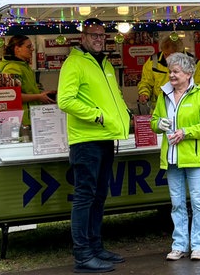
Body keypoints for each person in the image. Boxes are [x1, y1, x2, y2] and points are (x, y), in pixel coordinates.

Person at [57, 18, 129, 274]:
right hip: (86, 140)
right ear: (83, 37)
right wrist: (96, 115)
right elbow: (64, 100)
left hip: (105, 138)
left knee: (98, 197)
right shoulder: (74, 63)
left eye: (102, 35)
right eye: (94, 35)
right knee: (85, 198)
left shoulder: (105, 63)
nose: (99, 39)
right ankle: (83, 255)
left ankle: (96, 248)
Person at [150, 53, 200, 262]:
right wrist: (160, 124)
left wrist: (185, 132)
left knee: (198, 202)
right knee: (177, 203)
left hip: (195, 158)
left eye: (176, 72)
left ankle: (198, 245)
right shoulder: (163, 96)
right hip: (171, 158)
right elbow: (153, 122)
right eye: (170, 71)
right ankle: (179, 245)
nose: (171, 75)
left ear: (188, 73)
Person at [0, 35, 55, 126]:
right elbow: (12, 96)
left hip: (30, 117)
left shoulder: (23, 66)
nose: (32, 49)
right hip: (22, 120)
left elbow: (28, 90)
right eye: (29, 47)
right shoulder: (12, 68)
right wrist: (39, 97)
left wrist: (42, 93)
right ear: (17, 49)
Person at [138, 37, 200, 105]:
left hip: (186, 107)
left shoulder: (193, 63)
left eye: (172, 55)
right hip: (160, 108)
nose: (168, 58)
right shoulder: (153, 62)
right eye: (166, 54)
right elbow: (146, 82)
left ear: (180, 53)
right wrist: (144, 93)